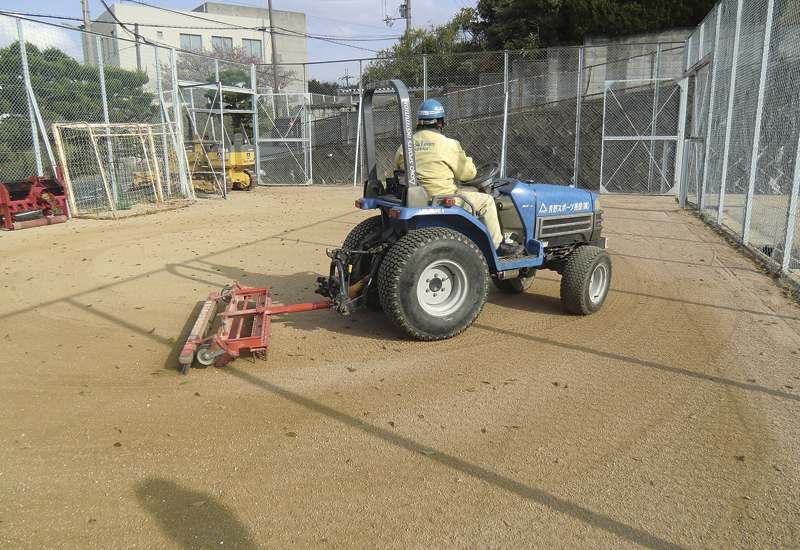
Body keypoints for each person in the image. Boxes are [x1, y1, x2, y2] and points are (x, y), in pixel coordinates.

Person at [395, 99, 523, 258]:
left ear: (420, 122)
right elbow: (468, 174)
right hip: (442, 198)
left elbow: (398, 167)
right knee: (487, 201)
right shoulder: (447, 144)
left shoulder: (405, 146)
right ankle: (496, 246)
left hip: (416, 198)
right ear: (440, 122)